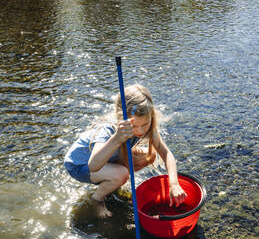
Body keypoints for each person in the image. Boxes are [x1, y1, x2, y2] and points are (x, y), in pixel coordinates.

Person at [64, 84, 187, 218]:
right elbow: (93, 166)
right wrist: (117, 138)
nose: (140, 131)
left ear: (151, 117)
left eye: (144, 125)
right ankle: (97, 198)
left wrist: (174, 184)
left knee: (150, 155)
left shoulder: (149, 126)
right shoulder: (108, 130)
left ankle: (112, 181)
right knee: (122, 174)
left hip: (107, 159)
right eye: (134, 126)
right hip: (80, 165)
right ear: (121, 118)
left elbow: (166, 154)